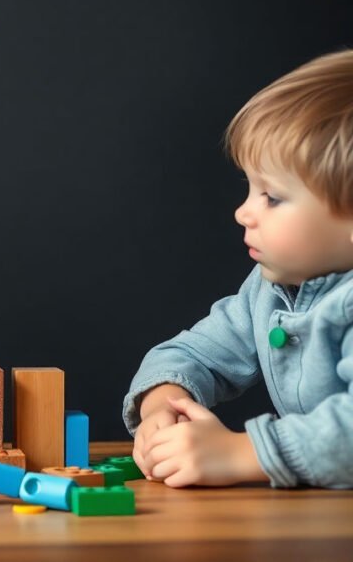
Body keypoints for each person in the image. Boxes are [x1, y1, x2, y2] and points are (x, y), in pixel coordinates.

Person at [125, 50, 353, 489]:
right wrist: (163, 401)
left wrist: (243, 453)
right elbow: (192, 354)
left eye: (273, 197)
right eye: (250, 188)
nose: (243, 213)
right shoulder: (269, 289)